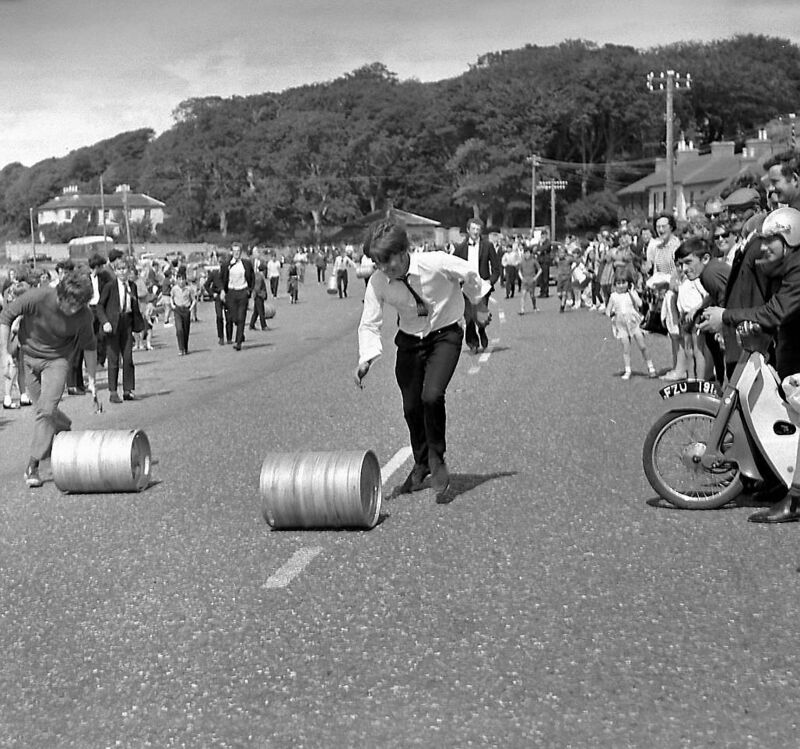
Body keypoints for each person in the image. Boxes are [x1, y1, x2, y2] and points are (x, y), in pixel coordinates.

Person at [355, 221, 490, 503]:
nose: (386, 267)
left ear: (404, 250)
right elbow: (369, 322)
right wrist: (366, 358)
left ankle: (437, 456)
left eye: (390, 259)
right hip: (409, 340)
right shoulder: (378, 281)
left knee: (432, 395)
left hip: (445, 335)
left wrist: (478, 305)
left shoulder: (435, 263)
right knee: (411, 406)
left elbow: (470, 272)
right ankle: (421, 461)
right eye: (379, 262)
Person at [700, 208, 800, 523]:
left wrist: (726, 317)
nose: (765, 246)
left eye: (773, 240)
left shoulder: (797, 269)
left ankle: (796, 501)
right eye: (763, 239)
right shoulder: (786, 268)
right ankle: (783, 486)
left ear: (790, 239)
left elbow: (776, 311)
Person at [0, 268, 98, 488]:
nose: (73, 310)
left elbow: (90, 347)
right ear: (60, 294)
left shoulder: (84, 316)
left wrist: (92, 381)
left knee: (46, 410)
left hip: (57, 361)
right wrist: (5, 354)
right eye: (69, 304)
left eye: (78, 305)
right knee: (42, 410)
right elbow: (5, 317)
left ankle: (33, 465)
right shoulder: (38, 297)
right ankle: (63, 426)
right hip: (27, 356)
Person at [674, 236, 729, 385]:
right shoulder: (712, 269)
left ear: (705, 258)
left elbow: (727, 299)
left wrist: (723, 328)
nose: (684, 269)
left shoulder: (708, 274)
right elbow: (714, 295)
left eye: (688, 262)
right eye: (681, 264)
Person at [96, 251, 142, 403]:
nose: (123, 272)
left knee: (128, 358)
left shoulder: (132, 286)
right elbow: (100, 306)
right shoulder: (110, 286)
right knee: (114, 358)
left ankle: (128, 390)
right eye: (120, 269)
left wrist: (138, 323)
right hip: (113, 325)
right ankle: (113, 391)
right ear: (115, 271)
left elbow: (134, 305)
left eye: (125, 269)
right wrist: (105, 322)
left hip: (127, 323)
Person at [452, 218, 500, 353]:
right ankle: (472, 343)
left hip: (483, 287)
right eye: (473, 229)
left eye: (478, 229)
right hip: (466, 287)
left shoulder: (488, 246)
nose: (475, 232)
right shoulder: (460, 248)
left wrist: (490, 281)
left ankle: (482, 330)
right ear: (468, 230)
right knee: (469, 318)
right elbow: (453, 265)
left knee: (481, 316)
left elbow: (496, 268)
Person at [606, 273, 656, 380]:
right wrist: (611, 313)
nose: (621, 285)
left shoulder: (631, 294)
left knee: (642, 345)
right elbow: (608, 310)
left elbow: (639, 304)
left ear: (628, 283)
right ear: (614, 285)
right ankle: (628, 370)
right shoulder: (613, 296)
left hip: (633, 323)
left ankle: (650, 367)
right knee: (626, 348)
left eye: (623, 283)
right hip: (621, 325)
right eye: (618, 283)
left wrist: (633, 292)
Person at [220, 242, 254, 351]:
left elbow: (252, 277)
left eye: (238, 251)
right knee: (234, 317)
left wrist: (249, 290)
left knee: (241, 317)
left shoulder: (246, 264)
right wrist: (222, 291)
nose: (236, 253)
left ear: (241, 252)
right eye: (234, 251)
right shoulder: (226, 265)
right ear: (231, 252)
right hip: (231, 292)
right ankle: (239, 329)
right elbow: (221, 279)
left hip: (243, 292)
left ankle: (238, 342)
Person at [2, 280, 30, 409]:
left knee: (21, 366)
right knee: (13, 367)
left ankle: (23, 395)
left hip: (18, 338)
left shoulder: (17, 305)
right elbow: (13, 327)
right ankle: (7, 398)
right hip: (13, 338)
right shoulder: (15, 308)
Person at [170, 267, 196, 356]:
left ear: (185, 280)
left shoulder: (189, 289)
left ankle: (185, 347)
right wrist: (172, 305)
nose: (181, 281)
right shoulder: (174, 289)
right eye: (179, 279)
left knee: (186, 330)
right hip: (178, 310)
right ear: (177, 280)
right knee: (179, 329)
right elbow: (171, 298)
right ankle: (181, 348)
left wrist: (190, 309)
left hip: (186, 310)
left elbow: (194, 300)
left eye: (183, 279)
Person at [204, 261, 231, 345]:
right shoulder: (214, 274)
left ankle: (229, 337)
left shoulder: (229, 274)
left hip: (227, 296)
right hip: (218, 297)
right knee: (219, 317)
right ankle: (221, 337)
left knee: (229, 318)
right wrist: (212, 294)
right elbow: (206, 285)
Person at [517, 246, 541, 314]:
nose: (527, 255)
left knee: (532, 295)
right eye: (525, 253)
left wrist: (535, 278)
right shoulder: (522, 261)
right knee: (523, 294)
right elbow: (519, 271)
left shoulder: (534, 261)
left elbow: (540, 270)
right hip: (525, 280)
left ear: (530, 253)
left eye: (528, 253)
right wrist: (521, 278)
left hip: (531, 280)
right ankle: (522, 309)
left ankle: (534, 306)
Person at [249, 262, 269, 330]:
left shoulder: (257, 275)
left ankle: (251, 325)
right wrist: (262, 294)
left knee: (256, 312)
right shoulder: (259, 277)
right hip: (259, 296)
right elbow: (257, 288)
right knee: (261, 312)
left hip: (257, 296)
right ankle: (263, 326)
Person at [537, 229, 552, 297]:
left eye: (544, 234)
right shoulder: (540, 242)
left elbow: (544, 248)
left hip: (545, 261)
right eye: (542, 235)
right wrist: (540, 244)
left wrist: (541, 246)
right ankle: (541, 291)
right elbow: (538, 249)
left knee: (545, 277)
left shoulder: (548, 242)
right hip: (540, 261)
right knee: (540, 278)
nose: (543, 236)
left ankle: (546, 292)